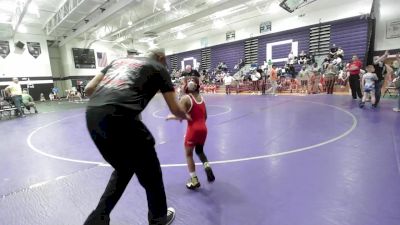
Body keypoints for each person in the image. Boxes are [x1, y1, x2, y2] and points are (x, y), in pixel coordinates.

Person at [83, 47, 190, 225]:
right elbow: (175, 108)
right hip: (121, 119)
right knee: (152, 174)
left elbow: (89, 89)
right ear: (162, 57)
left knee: (124, 170)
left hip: (93, 116)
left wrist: (112, 101)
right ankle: (159, 218)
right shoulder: (158, 67)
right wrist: (183, 115)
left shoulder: (118, 62)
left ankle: (97, 219)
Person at [166, 76, 215, 189]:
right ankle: (207, 166)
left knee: (188, 154)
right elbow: (205, 116)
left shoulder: (186, 98)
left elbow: (180, 115)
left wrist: (170, 117)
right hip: (203, 129)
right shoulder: (201, 98)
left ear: (188, 86)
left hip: (193, 130)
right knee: (199, 151)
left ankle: (194, 180)